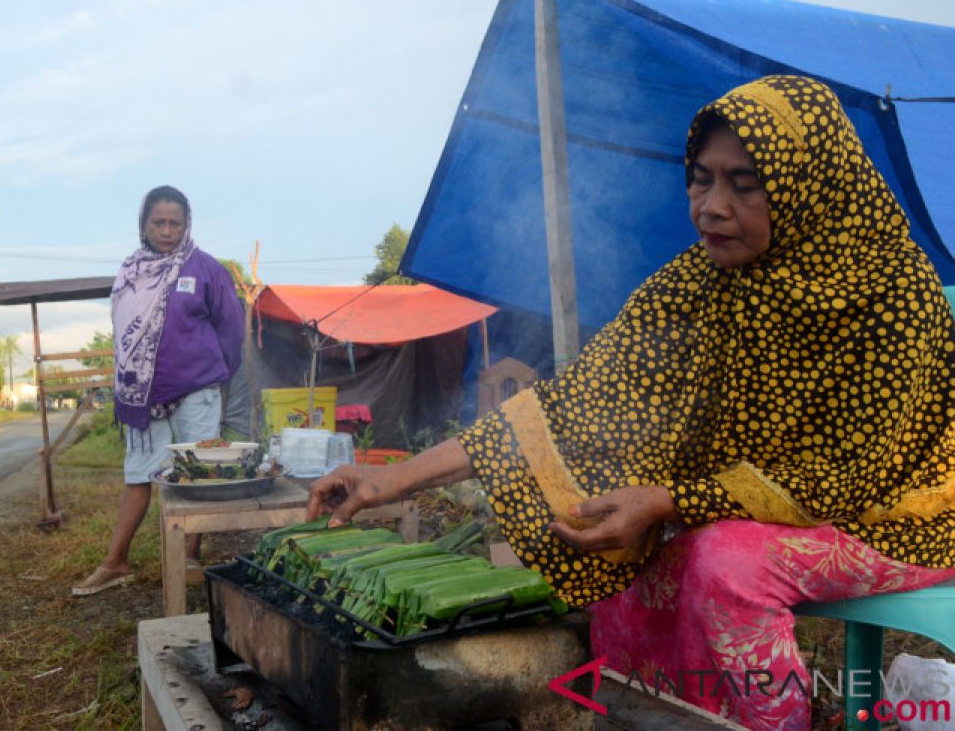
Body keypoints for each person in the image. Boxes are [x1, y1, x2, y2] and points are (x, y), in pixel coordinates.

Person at [306, 75, 955, 730]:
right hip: (746, 511)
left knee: (722, 562)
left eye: (745, 183)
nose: (711, 206)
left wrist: (672, 500)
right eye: (701, 178)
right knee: (619, 558)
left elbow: (844, 479)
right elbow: (567, 408)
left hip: (897, 513)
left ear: (806, 183)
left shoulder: (891, 293)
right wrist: (393, 478)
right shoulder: (697, 284)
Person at [72, 185, 244, 597]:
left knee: (196, 473)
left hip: (197, 390)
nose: (166, 231)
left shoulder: (206, 269)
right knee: (139, 476)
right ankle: (116, 563)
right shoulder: (131, 272)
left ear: (187, 226)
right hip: (142, 398)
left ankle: (187, 558)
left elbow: (231, 330)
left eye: (175, 223)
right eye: (158, 222)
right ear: (144, 225)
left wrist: (210, 373)